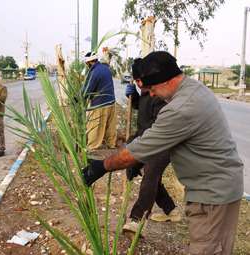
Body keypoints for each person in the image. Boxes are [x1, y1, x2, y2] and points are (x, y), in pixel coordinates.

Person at [82, 51, 244, 255]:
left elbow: (143, 146)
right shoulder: (193, 89)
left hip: (213, 195)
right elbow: (151, 140)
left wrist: (102, 166)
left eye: (152, 88)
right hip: (221, 187)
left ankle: (139, 217)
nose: (150, 94)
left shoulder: (180, 108)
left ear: (166, 81)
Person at [122, 58, 180, 234]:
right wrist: (134, 98)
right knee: (150, 178)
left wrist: (136, 144)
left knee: (151, 175)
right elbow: (144, 110)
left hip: (162, 143)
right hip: (146, 140)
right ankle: (171, 210)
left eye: (140, 81)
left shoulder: (160, 94)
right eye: (135, 82)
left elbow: (157, 127)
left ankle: (136, 220)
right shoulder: (147, 92)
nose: (139, 84)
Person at [83, 52, 117, 151]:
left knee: (95, 126)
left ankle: (92, 147)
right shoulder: (106, 68)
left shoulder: (94, 72)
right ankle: (111, 144)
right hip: (111, 102)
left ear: (89, 62)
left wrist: (78, 99)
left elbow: (87, 90)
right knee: (110, 126)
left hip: (100, 104)